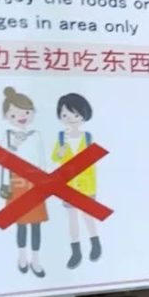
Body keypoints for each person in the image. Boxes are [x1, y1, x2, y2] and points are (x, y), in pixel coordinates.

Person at [0, 87, 47, 278]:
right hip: (16, 184)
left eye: (26, 112)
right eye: (15, 113)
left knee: (36, 224)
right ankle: (22, 257)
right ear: (7, 116)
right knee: (21, 224)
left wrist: (46, 184)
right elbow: (2, 162)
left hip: (35, 184)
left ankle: (36, 259)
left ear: (32, 113)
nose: (21, 117)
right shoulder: (8, 136)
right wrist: (5, 185)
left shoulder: (36, 135)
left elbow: (42, 161)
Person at [53, 93, 101, 269]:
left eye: (75, 115)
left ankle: (95, 243)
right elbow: (56, 157)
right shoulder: (60, 138)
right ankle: (76, 251)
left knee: (88, 217)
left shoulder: (87, 137)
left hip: (87, 185)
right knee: (72, 219)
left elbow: (92, 160)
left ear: (83, 115)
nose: (71, 119)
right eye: (65, 115)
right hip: (68, 186)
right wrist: (61, 151)